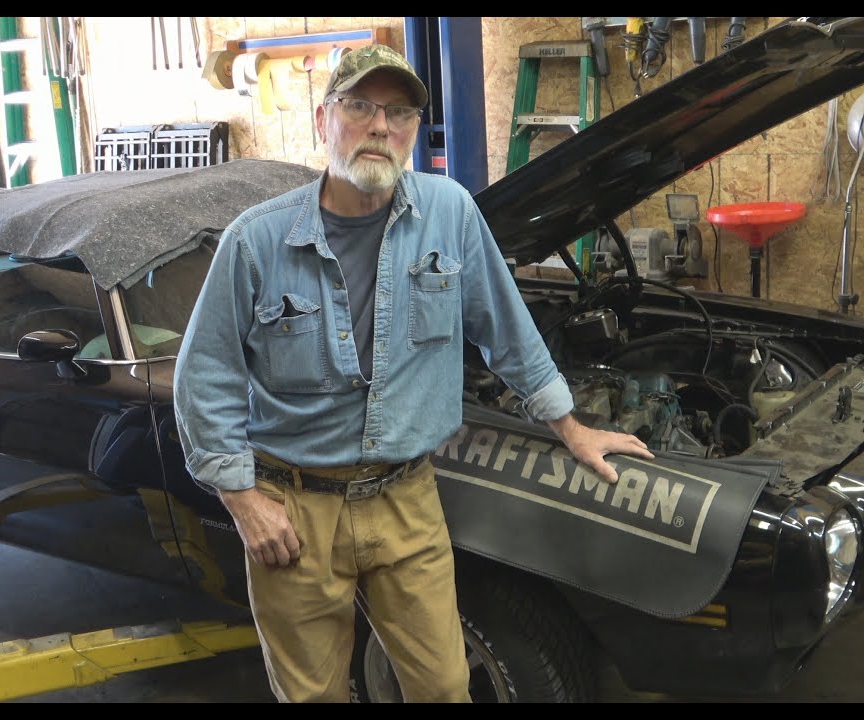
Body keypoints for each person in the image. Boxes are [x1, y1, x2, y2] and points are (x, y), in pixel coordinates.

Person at [174, 43, 654, 703]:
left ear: (413, 133)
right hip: (294, 510)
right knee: (312, 694)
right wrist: (242, 499)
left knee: (444, 686)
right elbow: (206, 377)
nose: (380, 126)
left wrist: (571, 428)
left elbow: (504, 328)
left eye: (398, 112)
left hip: (407, 499)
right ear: (324, 120)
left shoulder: (450, 213)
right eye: (361, 107)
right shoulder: (257, 242)